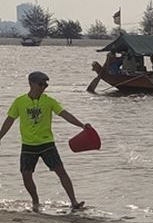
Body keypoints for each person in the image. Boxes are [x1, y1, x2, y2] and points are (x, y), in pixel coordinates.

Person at [0, 71, 87, 212]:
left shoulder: (49, 101)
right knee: (26, 175)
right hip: (28, 145)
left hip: (47, 143)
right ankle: (35, 201)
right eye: (40, 84)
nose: (43, 87)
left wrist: (82, 125)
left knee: (61, 171)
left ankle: (74, 202)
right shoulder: (19, 101)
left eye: (45, 84)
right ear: (31, 84)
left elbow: (65, 114)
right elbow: (9, 120)